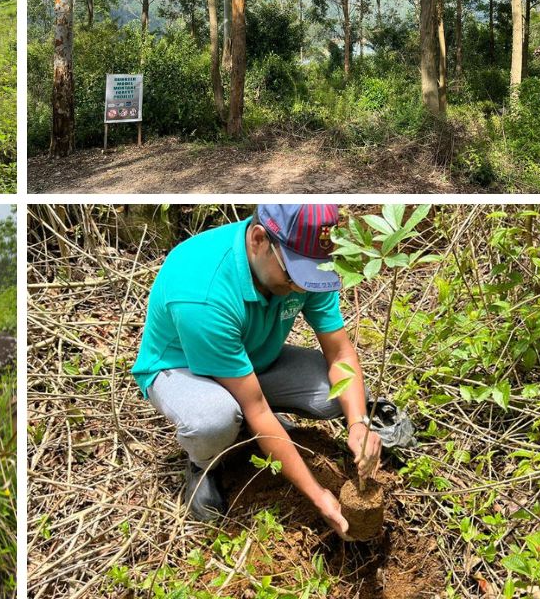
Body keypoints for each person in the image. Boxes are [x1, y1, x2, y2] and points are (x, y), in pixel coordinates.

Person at [131, 204, 383, 538]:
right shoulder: (201, 290)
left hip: (252, 359)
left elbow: (339, 354)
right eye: (293, 275)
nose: (301, 287)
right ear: (259, 239)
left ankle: (255, 431)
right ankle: (202, 465)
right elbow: (257, 408)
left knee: (344, 395)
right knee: (214, 420)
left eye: (313, 275)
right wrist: (318, 496)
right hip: (183, 370)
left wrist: (358, 424)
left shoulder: (305, 263)